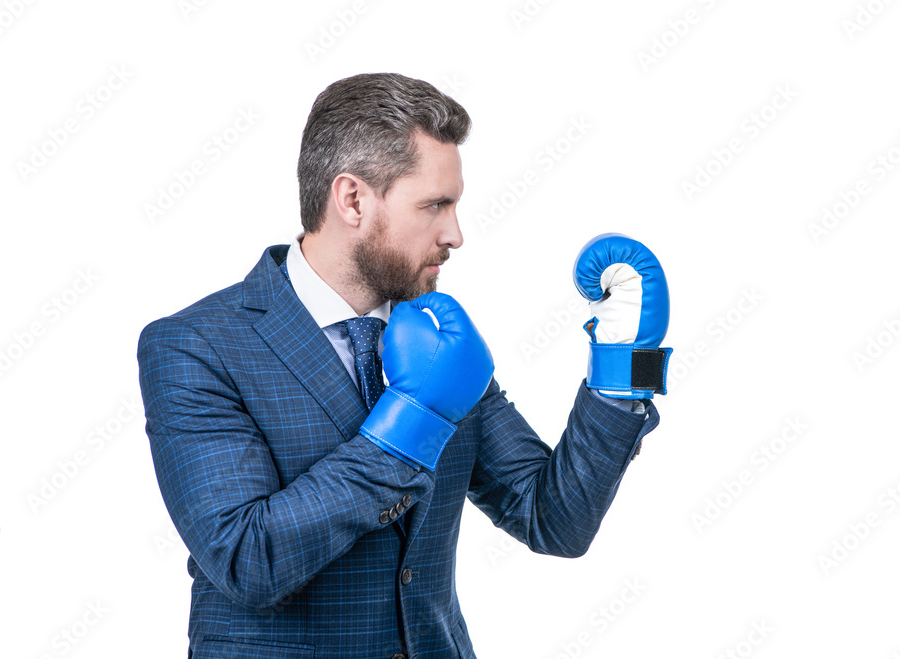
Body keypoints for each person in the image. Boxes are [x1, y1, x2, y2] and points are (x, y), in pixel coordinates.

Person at [137, 72, 670, 659]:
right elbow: (247, 560)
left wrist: (619, 371)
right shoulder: (194, 346)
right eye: (435, 205)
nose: (456, 234)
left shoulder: (441, 341)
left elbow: (551, 519)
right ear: (353, 199)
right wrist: (414, 419)